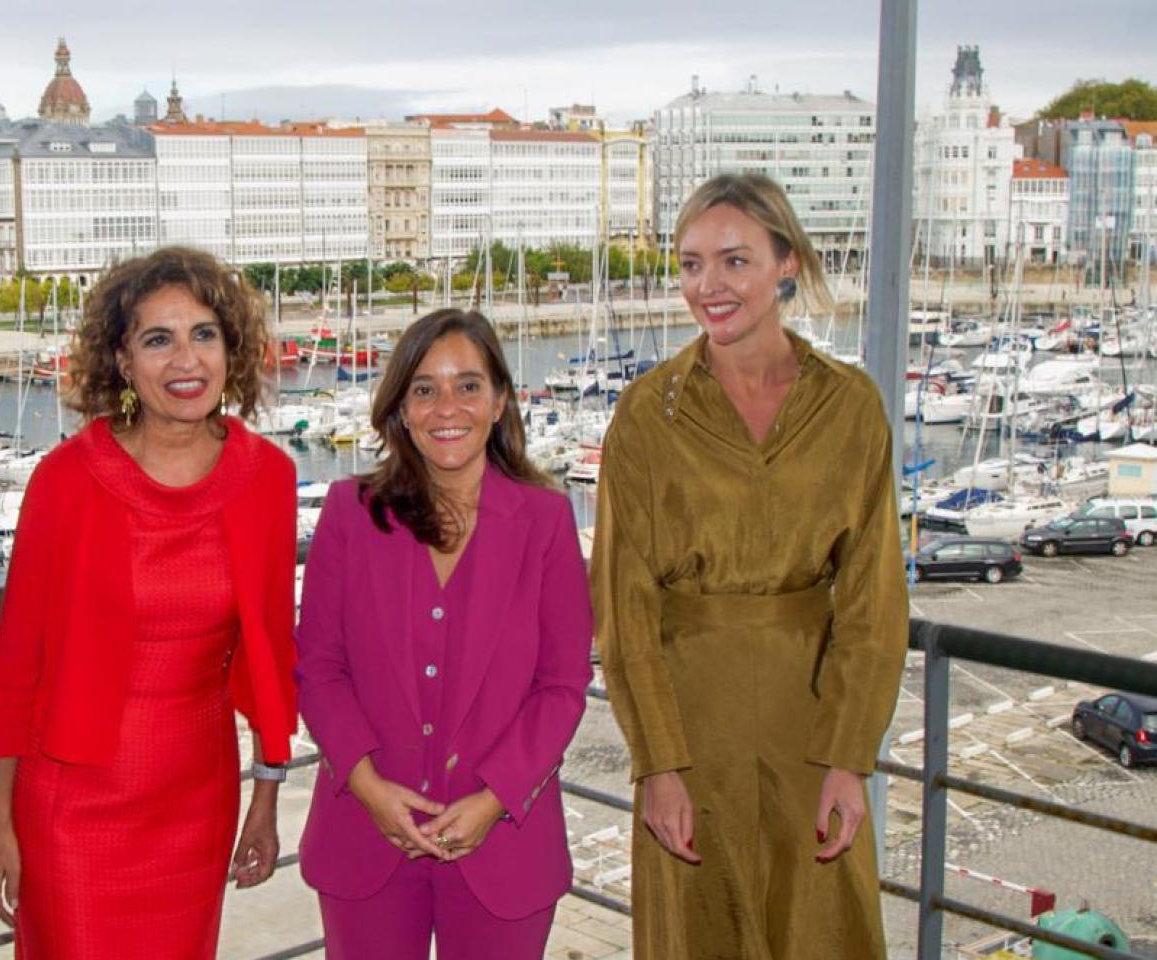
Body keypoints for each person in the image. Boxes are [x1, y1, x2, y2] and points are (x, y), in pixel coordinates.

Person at [592, 172, 906, 959]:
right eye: (691, 264)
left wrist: (848, 757)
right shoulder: (646, 413)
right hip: (690, 730)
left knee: (823, 931)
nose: (709, 286)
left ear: (786, 263)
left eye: (734, 261)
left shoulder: (851, 406)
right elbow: (624, 605)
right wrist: (659, 764)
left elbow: (872, 597)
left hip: (812, 724)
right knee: (695, 935)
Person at [0, 246, 298, 959]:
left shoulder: (267, 478)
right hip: (71, 805)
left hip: (195, 798)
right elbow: (17, 665)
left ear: (230, 349)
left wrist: (266, 799)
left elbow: (273, 655)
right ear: (122, 360)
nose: (185, 360)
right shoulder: (66, 480)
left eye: (203, 334)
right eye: (158, 339)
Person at [295, 309, 593, 959]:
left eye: (468, 385)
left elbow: (564, 684)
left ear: (500, 402)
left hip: (504, 844)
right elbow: (318, 667)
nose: (445, 406)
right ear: (400, 406)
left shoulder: (545, 522)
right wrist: (368, 787)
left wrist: (495, 798)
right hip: (365, 838)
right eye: (424, 388)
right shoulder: (349, 515)